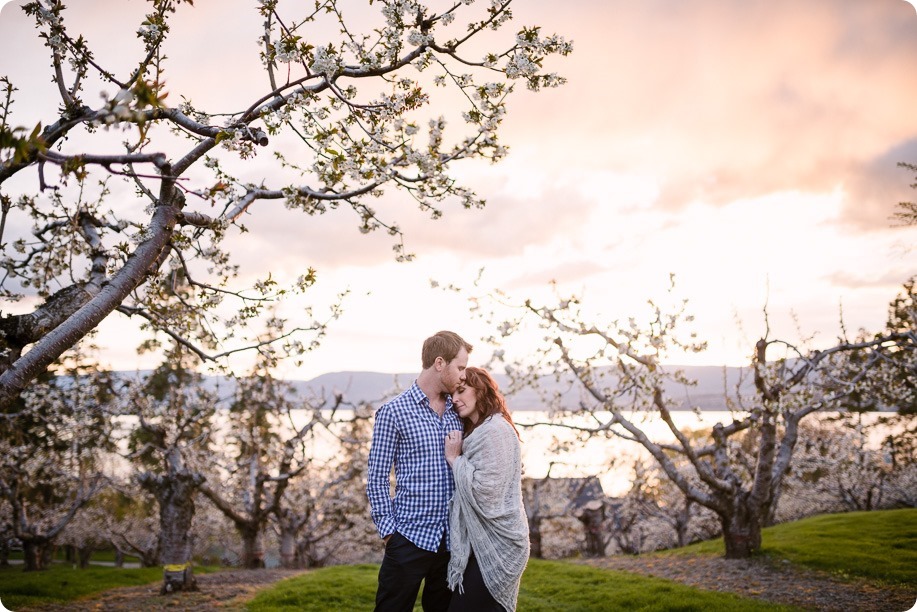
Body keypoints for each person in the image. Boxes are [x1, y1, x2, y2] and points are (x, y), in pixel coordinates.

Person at [366, 331, 473, 612]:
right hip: (408, 538)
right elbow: (376, 478)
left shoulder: (458, 411)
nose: (463, 375)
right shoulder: (393, 412)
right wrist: (389, 533)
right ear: (440, 363)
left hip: (452, 542)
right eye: (460, 367)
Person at [444, 367, 529, 612]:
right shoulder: (480, 431)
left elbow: (486, 494)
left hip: (502, 543)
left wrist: (454, 460)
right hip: (482, 543)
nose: (455, 399)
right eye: (452, 394)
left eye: (462, 391)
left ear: (480, 391)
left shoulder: (495, 431)